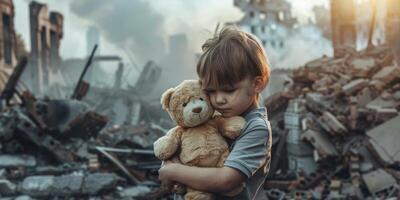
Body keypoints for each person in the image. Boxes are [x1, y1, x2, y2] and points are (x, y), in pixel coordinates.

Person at [158, 25, 272, 200]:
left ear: (257, 84)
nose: (218, 99)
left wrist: (174, 171)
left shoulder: (256, 128)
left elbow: (226, 180)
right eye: (210, 91)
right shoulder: (213, 117)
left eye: (228, 90)